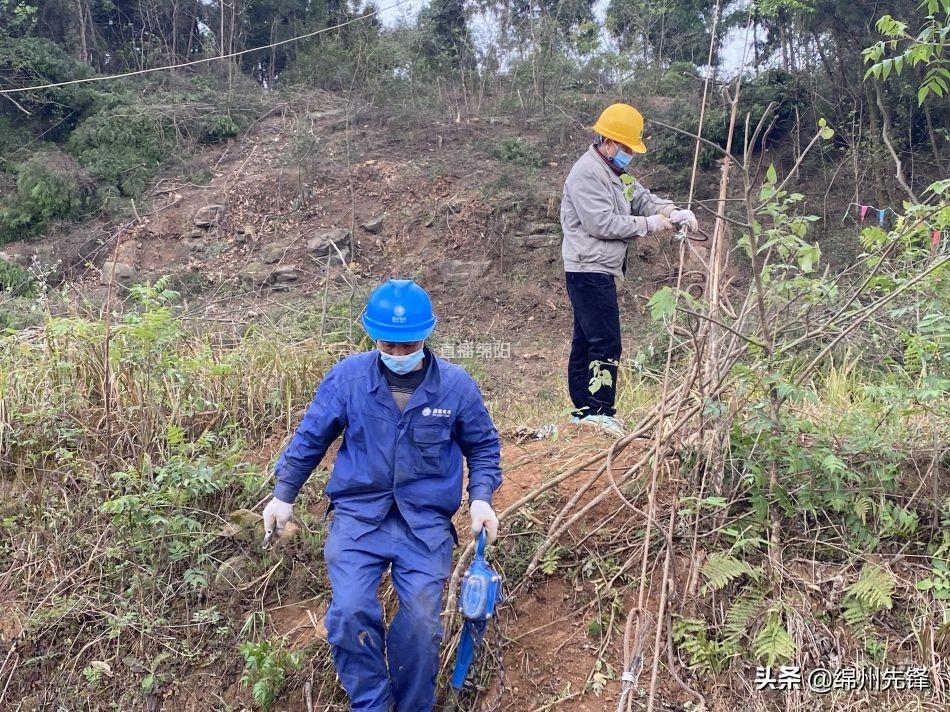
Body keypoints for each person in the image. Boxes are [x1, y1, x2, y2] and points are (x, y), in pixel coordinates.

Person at [261, 278, 502, 712]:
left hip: (424, 525)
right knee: (350, 611)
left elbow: (483, 446)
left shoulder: (456, 386)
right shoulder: (348, 379)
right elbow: (311, 437)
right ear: (373, 337)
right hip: (358, 517)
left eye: (407, 346)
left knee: (423, 623)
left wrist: (481, 497)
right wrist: (283, 494)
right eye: (388, 345)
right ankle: (371, 704)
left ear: (426, 337)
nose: (396, 355)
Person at [560, 102, 700, 436]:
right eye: (625, 148)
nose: (629, 155)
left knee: (587, 340)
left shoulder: (614, 173)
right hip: (586, 269)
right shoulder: (586, 173)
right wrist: (649, 224)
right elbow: (601, 223)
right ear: (607, 141)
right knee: (605, 342)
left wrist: (672, 211)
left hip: (599, 268)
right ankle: (598, 409)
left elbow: (643, 198)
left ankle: (583, 412)